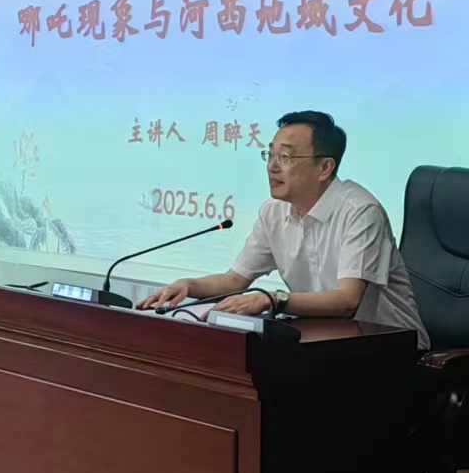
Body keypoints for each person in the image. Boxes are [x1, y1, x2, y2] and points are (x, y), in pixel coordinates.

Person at [138, 110, 427, 349]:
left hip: (391, 349)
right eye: (270, 155)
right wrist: (189, 285)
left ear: (324, 168)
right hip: (323, 342)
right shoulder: (273, 212)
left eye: (286, 158)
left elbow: (347, 300)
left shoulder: (360, 211)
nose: (273, 167)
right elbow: (235, 280)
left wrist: (272, 299)